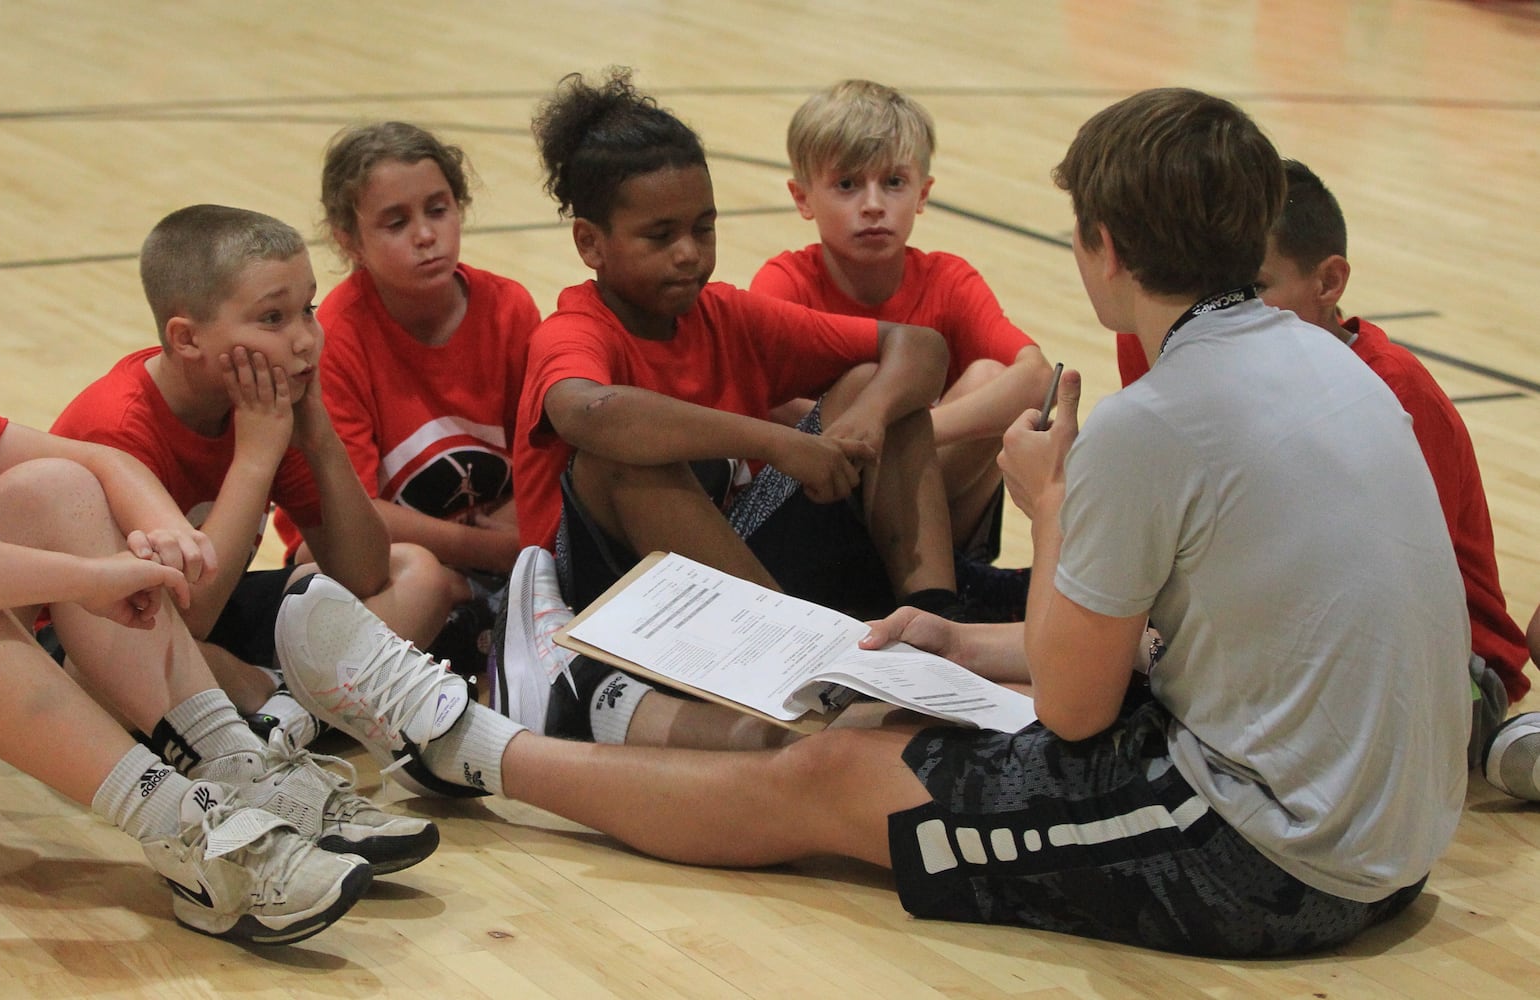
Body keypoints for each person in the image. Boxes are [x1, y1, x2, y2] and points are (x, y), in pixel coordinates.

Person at [278, 87, 1470, 957]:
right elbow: (1185, 635)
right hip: (1386, 836)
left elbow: (1075, 709)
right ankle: (660, 680)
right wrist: (954, 639)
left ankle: (471, 746)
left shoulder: (1162, 419)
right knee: (904, 684)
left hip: (1274, 858)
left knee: (835, 773)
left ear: (1103, 249)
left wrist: (1050, 507)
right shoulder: (1333, 365)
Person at [0, 146, 413, 945]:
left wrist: (159, 529)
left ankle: (235, 768)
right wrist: (85, 576)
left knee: (49, 490)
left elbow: (91, 464)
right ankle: (188, 834)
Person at [1118, 159, 1532, 785]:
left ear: (1329, 281)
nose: (1224, 312)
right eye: (1212, 288)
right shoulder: (1172, 339)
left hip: (1435, 666)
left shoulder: (1391, 390)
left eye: (1254, 288)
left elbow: (1384, 597)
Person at [513, 67, 964, 635]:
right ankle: (796, 648)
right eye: (660, 236)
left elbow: (919, 346)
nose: (687, 253)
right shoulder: (574, 329)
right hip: (602, 606)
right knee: (620, 461)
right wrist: (777, 443)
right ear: (590, 243)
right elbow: (590, 413)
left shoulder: (727, 312)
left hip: (734, 577)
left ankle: (938, 629)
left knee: (873, 384)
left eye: (703, 229)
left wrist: (870, 420)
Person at [51, 205, 461, 753]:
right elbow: (184, 621)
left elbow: (363, 573)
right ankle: (299, 700)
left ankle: (281, 712)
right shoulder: (119, 426)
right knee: (113, 669)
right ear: (187, 338)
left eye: (308, 310)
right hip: (107, 635)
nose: (305, 339)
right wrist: (254, 457)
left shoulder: (269, 403)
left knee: (419, 575)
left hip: (209, 613)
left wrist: (319, 441)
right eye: (273, 319)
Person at [748, 79, 1052, 612]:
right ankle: (941, 590)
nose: (873, 205)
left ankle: (945, 578)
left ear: (923, 193)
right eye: (846, 185)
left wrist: (904, 434)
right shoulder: (784, 282)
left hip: (920, 500)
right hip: (823, 507)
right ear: (803, 198)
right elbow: (768, 402)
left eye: (893, 182)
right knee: (874, 385)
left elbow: (1037, 378)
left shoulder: (948, 279)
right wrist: (883, 426)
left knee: (988, 374)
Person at [302, 122, 543, 677]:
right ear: (347, 238)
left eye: (438, 210)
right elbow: (349, 517)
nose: (426, 235)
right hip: (394, 561)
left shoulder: (508, 308)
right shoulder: (334, 338)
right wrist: (490, 551)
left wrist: (521, 527)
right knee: (323, 568)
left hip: (502, 542)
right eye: (396, 222)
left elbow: (542, 455)